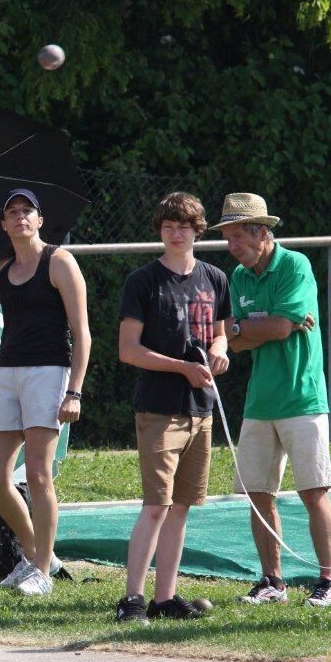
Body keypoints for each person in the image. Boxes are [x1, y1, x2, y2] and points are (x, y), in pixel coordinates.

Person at [212, 192, 331, 607]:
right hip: (260, 401)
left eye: (238, 237)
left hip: (302, 397)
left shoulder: (294, 265)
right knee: (258, 495)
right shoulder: (238, 276)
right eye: (228, 238)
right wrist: (255, 327)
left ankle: (330, 583)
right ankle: (272, 581)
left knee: (313, 492)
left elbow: (280, 329)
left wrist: (255, 327)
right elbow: (234, 340)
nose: (232, 246)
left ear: (263, 234)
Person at [0, 188, 91, 596]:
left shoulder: (60, 261)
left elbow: (83, 333)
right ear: (3, 224)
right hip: (7, 371)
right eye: (12, 212)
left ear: (39, 220)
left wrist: (75, 392)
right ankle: (36, 555)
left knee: (37, 474)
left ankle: (42, 572)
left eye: (27, 210)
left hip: (49, 371)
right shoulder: (2, 268)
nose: (20, 216)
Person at [115, 192, 230, 623]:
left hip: (202, 409)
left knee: (181, 506)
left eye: (183, 226)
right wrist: (182, 367)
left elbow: (221, 333)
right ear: (160, 231)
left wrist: (220, 350)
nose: (176, 233)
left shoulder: (215, 277)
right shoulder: (143, 281)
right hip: (159, 409)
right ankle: (132, 599)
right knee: (156, 506)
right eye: (168, 226)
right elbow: (129, 350)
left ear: (198, 230)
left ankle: (165, 598)